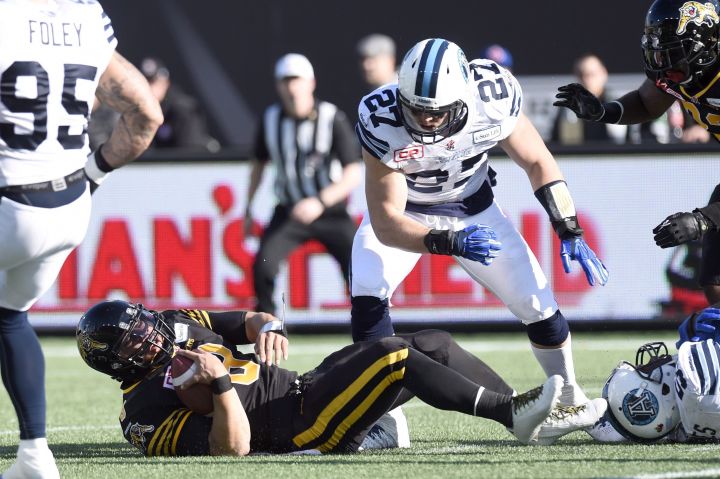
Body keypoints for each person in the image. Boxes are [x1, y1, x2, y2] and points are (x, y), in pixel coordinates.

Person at [352, 37, 609, 414]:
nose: (425, 120)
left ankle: (569, 396)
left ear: (463, 98)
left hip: (475, 210)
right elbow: (387, 221)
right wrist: (449, 241)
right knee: (367, 289)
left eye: (436, 112)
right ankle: (379, 419)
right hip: (412, 211)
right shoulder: (381, 117)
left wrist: (567, 224)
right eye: (416, 109)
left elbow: (537, 161)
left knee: (537, 303)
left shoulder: (492, 96)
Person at [76, 300, 607, 455]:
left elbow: (249, 316)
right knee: (394, 354)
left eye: (144, 325)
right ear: (117, 363)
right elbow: (231, 450)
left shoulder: (174, 324)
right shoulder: (142, 412)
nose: (150, 336)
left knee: (434, 344)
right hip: (300, 425)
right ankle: (509, 416)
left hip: (303, 386)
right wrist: (218, 386)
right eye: (135, 342)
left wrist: (271, 325)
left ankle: (528, 406)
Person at [0, 1, 163, 477]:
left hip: (9, 199)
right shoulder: (84, 15)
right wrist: (92, 175)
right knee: (10, 317)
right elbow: (146, 114)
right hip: (69, 206)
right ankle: (34, 455)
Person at [552, 0, 720, 304]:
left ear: (707, 43)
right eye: (658, 47)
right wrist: (602, 112)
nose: (664, 60)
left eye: (675, 50)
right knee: (715, 284)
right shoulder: (684, 72)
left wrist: (702, 220)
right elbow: (646, 102)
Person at [244, 53, 362, 315]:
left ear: (311, 83)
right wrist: (249, 208)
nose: (291, 87)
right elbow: (258, 165)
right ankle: (270, 330)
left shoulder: (331, 117)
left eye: (296, 80)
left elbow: (353, 172)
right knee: (263, 266)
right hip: (289, 211)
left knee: (360, 269)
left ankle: (369, 331)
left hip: (330, 211)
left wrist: (320, 201)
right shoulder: (270, 119)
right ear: (278, 86)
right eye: (285, 81)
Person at [589, 305, 720, 444]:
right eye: (644, 369)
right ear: (662, 391)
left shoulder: (700, 416)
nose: (653, 360)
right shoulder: (695, 378)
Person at [139, 56, 218, 151]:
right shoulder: (136, 109)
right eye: (144, 82)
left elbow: (190, 151)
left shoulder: (183, 109)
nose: (149, 88)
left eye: (153, 82)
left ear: (165, 82)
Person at [550, 54, 619, 145]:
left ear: (604, 73)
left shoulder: (616, 105)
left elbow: (628, 142)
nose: (586, 79)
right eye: (581, 75)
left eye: (592, 74)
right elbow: (560, 143)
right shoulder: (568, 109)